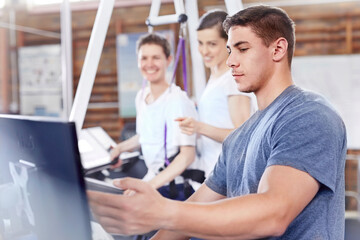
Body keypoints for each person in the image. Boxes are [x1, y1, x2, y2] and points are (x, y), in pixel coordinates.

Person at [88, 5, 347, 239]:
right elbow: (195, 205)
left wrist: (164, 211)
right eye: (230, 50)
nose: (232, 61)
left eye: (243, 49)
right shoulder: (238, 139)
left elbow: (274, 214)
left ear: (278, 49)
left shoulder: (308, 115)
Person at [109, 33, 201, 200]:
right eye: (144, 58)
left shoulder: (177, 100)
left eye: (156, 58)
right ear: (138, 61)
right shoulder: (141, 96)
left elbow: (187, 156)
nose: (149, 64)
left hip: (176, 185)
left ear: (169, 60)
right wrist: (119, 149)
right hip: (153, 180)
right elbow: (144, 136)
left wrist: (148, 186)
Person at [176, 10, 257, 177]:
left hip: (230, 176)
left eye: (212, 44)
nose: (204, 51)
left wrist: (199, 127)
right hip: (213, 173)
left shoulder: (232, 80)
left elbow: (243, 137)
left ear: (229, 43)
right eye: (200, 43)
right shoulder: (215, 77)